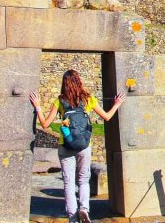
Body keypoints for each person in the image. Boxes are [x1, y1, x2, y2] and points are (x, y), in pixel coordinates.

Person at [29, 70, 126, 223]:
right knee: (83, 180)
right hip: (84, 145)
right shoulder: (88, 99)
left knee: (68, 182)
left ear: (64, 84)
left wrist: (38, 106)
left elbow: (45, 124)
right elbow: (107, 117)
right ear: (79, 81)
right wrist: (117, 104)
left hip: (65, 144)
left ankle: (73, 217)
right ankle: (84, 209)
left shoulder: (60, 101)